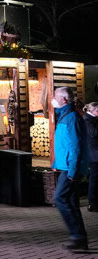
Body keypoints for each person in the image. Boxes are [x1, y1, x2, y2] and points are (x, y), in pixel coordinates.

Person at [52, 87, 90, 250]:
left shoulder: (71, 117)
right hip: (67, 166)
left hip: (70, 168)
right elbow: (65, 144)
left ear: (64, 100)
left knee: (60, 198)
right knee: (71, 201)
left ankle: (77, 236)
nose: (53, 99)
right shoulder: (65, 116)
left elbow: (75, 147)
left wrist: (73, 172)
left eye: (55, 96)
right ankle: (79, 238)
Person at [84, 102, 98, 212]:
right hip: (94, 154)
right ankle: (92, 203)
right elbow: (93, 133)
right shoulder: (87, 119)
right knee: (94, 178)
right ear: (92, 111)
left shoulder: (93, 118)